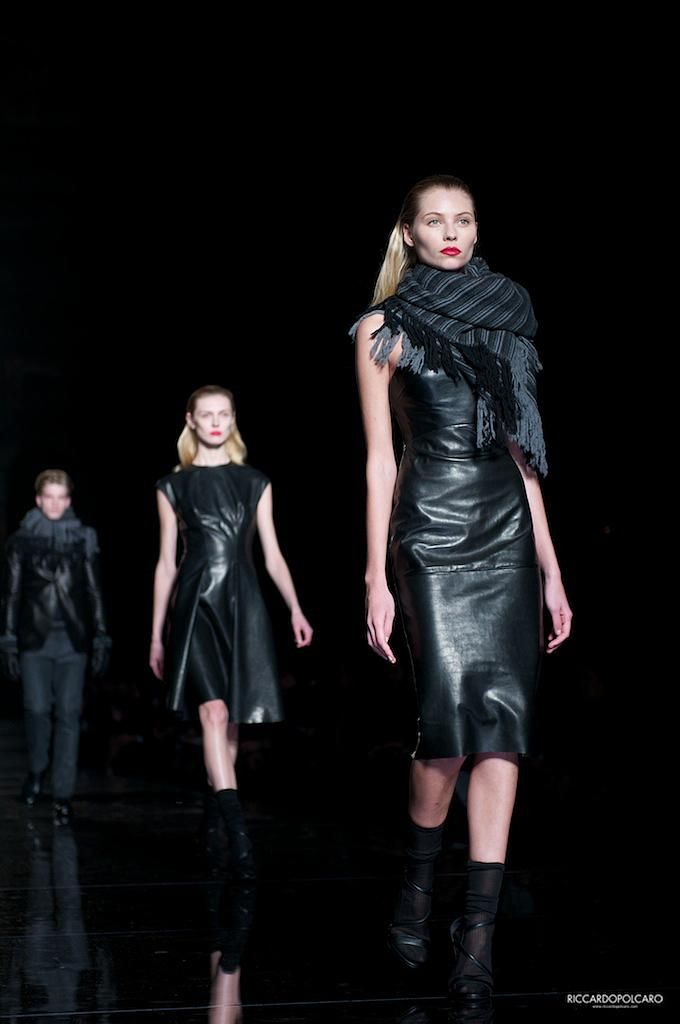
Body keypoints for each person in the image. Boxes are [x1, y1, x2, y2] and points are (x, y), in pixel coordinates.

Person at [350, 176, 572, 1012]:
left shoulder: (507, 315)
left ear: (478, 230)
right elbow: (379, 459)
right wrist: (374, 573)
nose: (451, 232)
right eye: (435, 221)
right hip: (431, 528)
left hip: (505, 526)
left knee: (503, 732)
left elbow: (522, 451)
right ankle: (416, 886)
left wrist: (551, 566)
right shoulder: (381, 328)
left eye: (464, 220)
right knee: (444, 731)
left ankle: (474, 938)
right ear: (407, 234)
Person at [150, 385, 313, 879]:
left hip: (244, 600)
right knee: (214, 713)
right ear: (191, 420)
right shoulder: (172, 486)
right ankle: (239, 836)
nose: (216, 421)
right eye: (207, 414)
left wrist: (295, 607)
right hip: (195, 603)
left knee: (232, 721)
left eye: (224, 413)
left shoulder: (255, 481)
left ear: (233, 419)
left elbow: (273, 555)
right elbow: (166, 563)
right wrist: (156, 634)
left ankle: (215, 816)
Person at [0, 469, 111, 824]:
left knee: (68, 714)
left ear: (68, 500)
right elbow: (12, 593)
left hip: (73, 641)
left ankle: (63, 793)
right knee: (36, 709)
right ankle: (37, 770)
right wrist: (8, 640)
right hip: (34, 638)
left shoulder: (83, 539)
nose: (54, 504)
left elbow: (94, 590)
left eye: (60, 497)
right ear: (38, 499)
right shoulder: (21, 541)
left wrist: (102, 636)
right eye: (48, 497)